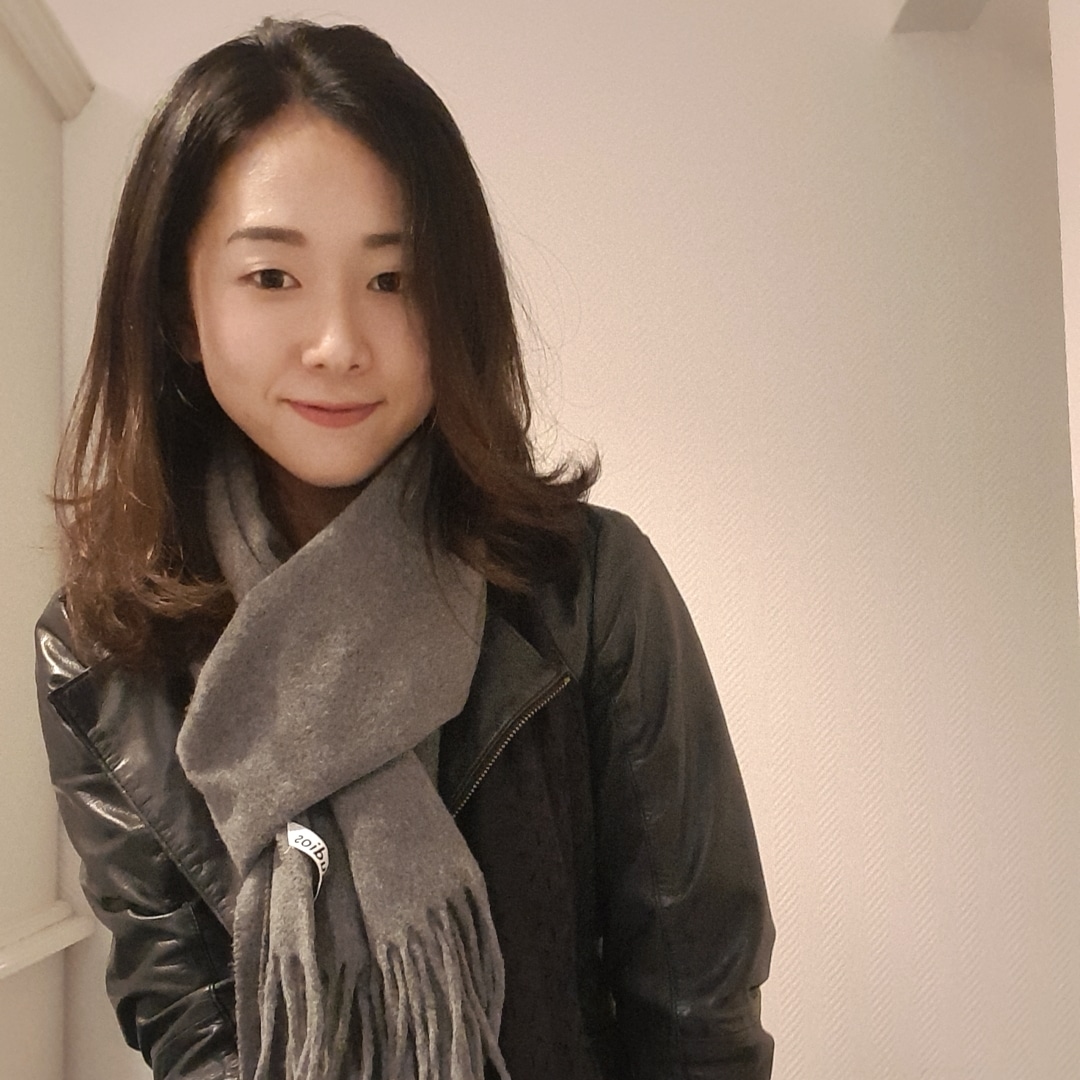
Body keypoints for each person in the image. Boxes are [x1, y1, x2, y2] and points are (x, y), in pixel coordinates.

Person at [35, 17, 774, 1080]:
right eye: (272, 277)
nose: (339, 342)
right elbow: (187, 1029)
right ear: (180, 312)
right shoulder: (101, 653)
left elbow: (697, 1021)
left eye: (393, 280)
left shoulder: (592, 591)